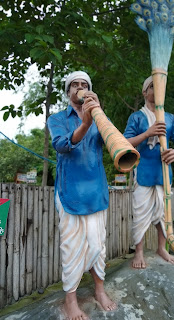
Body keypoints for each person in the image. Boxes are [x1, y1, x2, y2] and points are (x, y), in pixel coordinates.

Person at [47, 71, 117, 320]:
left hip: (96, 191)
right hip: (70, 192)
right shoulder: (57, 119)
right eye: (74, 84)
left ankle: (99, 290)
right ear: (68, 92)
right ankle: (70, 301)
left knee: (98, 246)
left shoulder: (99, 116)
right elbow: (61, 145)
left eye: (84, 84)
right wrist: (86, 122)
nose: (79, 87)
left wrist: (96, 114)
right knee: (72, 247)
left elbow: (114, 143)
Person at [124, 76, 174, 269]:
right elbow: (125, 143)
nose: (157, 90)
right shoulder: (136, 117)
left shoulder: (171, 119)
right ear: (145, 92)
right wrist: (147, 133)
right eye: (153, 86)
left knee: (163, 213)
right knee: (140, 212)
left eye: (160, 87)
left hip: (163, 173)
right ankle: (140, 251)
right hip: (143, 172)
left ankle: (162, 247)